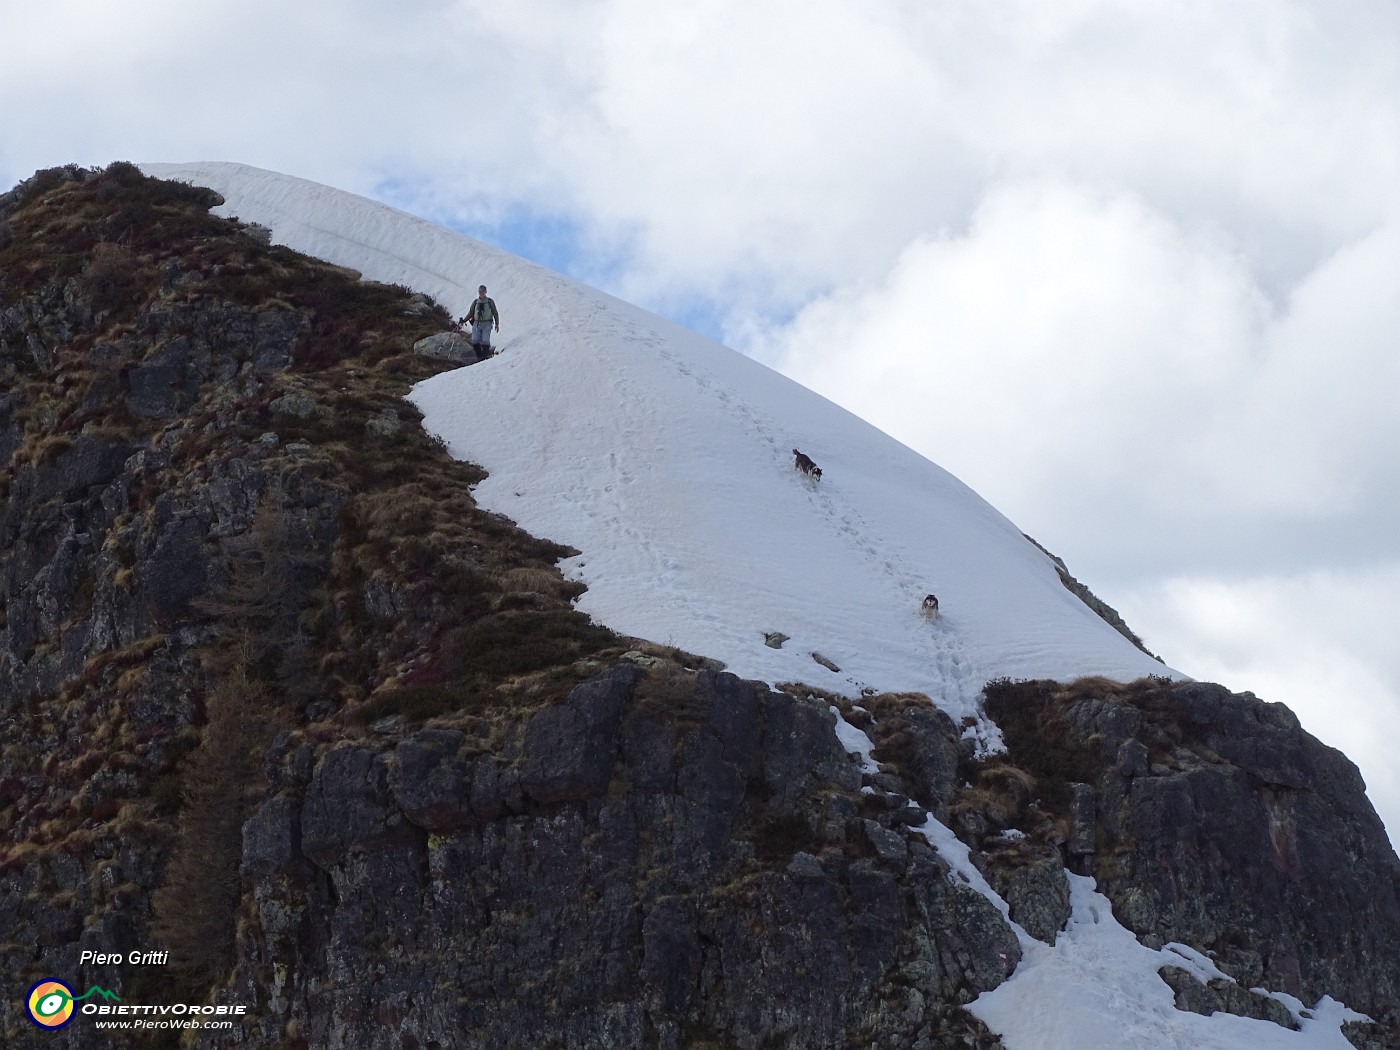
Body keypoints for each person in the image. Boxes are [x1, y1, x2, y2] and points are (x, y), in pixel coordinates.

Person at [464, 285, 500, 359]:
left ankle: (484, 357)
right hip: (477, 323)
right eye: (480, 291)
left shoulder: (490, 302)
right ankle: (479, 356)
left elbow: (495, 312)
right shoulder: (475, 302)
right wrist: (464, 320)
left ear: (485, 292)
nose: (481, 293)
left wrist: (497, 324)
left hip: (487, 323)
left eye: (483, 291)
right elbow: (471, 313)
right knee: (474, 340)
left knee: (485, 341)